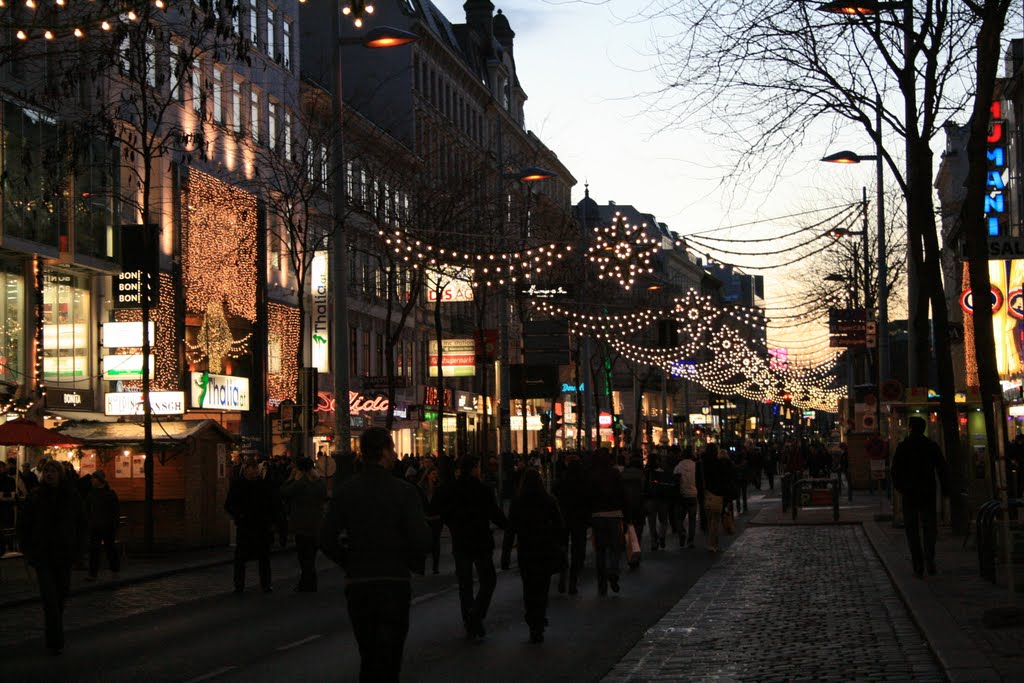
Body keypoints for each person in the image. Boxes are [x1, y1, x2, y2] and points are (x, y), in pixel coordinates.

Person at [320, 428, 431, 682]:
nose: (394, 455)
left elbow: (326, 538)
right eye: (391, 449)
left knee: (369, 655)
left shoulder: (346, 491)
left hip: (360, 583)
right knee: (390, 658)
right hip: (394, 581)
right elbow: (422, 539)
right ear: (383, 452)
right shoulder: (404, 492)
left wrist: (349, 560)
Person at [17, 459, 84, 654]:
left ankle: (54, 630)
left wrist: (78, 550)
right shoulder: (36, 496)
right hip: (43, 555)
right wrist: (28, 549)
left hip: (64, 555)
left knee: (61, 595)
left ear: (60, 474)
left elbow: (81, 524)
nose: (49, 474)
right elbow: (24, 525)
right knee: (49, 598)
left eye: (53, 471)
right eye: (46, 471)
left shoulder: (72, 496)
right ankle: (55, 640)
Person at [439, 454, 507, 640]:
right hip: (480, 540)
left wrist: (453, 525)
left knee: (465, 584)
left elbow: (440, 511)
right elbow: (494, 513)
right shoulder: (482, 489)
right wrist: (510, 527)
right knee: (488, 580)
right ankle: (476, 615)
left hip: (460, 541)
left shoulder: (450, 489)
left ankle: (469, 619)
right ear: (474, 468)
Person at [501, 468, 565, 643]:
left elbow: (510, 529)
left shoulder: (518, 502)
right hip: (544, 548)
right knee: (542, 587)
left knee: (529, 587)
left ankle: (532, 620)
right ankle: (539, 620)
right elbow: (560, 526)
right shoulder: (548, 500)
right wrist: (559, 544)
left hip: (526, 549)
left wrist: (505, 553)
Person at [891, 416, 948, 578]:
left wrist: (901, 487)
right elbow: (942, 468)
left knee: (912, 530)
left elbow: (895, 471)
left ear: (910, 428)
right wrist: (945, 490)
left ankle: (918, 563)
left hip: (910, 493)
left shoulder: (904, 446)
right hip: (927, 491)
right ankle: (929, 556)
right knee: (929, 527)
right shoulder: (930, 446)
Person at [225, 459, 283, 593]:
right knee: (241, 558)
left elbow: (272, 505)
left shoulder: (263, 485)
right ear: (245, 470)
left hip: (261, 525)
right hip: (245, 526)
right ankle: (239, 585)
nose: (254, 471)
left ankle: (266, 584)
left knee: (264, 557)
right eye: (251, 469)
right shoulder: (238, 485)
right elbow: (229, 504)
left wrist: (272, 522)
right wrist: (239, 516)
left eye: (255, 468)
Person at [280, 456, 328, 592]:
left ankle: (307, 583)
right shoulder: (319, 482)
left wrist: (291, 479)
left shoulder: (300, 484)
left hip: (301, 524)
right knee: (311, 556)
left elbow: (284, 492)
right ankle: (308, 582)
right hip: (316, 523)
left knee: (303, 556)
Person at [586, 448, 626, 596]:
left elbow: (588, 498)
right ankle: (613, 571)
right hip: (614, 515)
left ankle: (602, 584)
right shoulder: (615, 473)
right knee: (615, 548)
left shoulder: (591, 475)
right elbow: (622, 495)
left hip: (597, 516)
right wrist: (626, 516)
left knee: (600, 551)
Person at [553, 453, 589, 594]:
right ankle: (573, 581)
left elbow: (555, 496)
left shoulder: (562, 481)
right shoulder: (583, 482)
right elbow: (588, 500)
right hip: (579, 520)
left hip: (563, 519)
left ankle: (563, 574)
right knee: (577, 550)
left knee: (563, 547)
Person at [85, 470, 120, 580]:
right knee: (94, 550)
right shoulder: (91, 494)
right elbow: (87, 510)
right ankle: (93, 573)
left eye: (94, 478)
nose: (92, 480)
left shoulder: (109, 494)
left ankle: (114, 570)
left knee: (110, 549)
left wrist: (113, 524)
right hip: (95, 526)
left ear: (100, 480)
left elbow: (115, 511)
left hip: (107, 526)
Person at [703, 444, 734, 553]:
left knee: (709, 520)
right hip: (717, 493)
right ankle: (713, 544)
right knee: (715, 521)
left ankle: (712, 543)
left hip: (706, 493)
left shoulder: (702, 463)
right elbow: (723, 479)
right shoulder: (718, 464)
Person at [418, 467, 444, 574]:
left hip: (436, 518)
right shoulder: (421, 488)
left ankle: (435, 566)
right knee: (424, 542)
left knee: (436, 542)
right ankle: (422, 567)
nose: (435, 476)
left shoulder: (439, 488)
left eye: (436, 474)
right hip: (425, 518)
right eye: (433, 474)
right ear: (428, 475)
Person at [673, 448, 699, 548]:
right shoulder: (695, 465)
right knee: (692, 519)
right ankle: (691, 540)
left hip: (682, 495)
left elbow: (675, 480)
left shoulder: (678, 466)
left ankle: (682, 532)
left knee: (679, 518)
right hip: (693, 494)